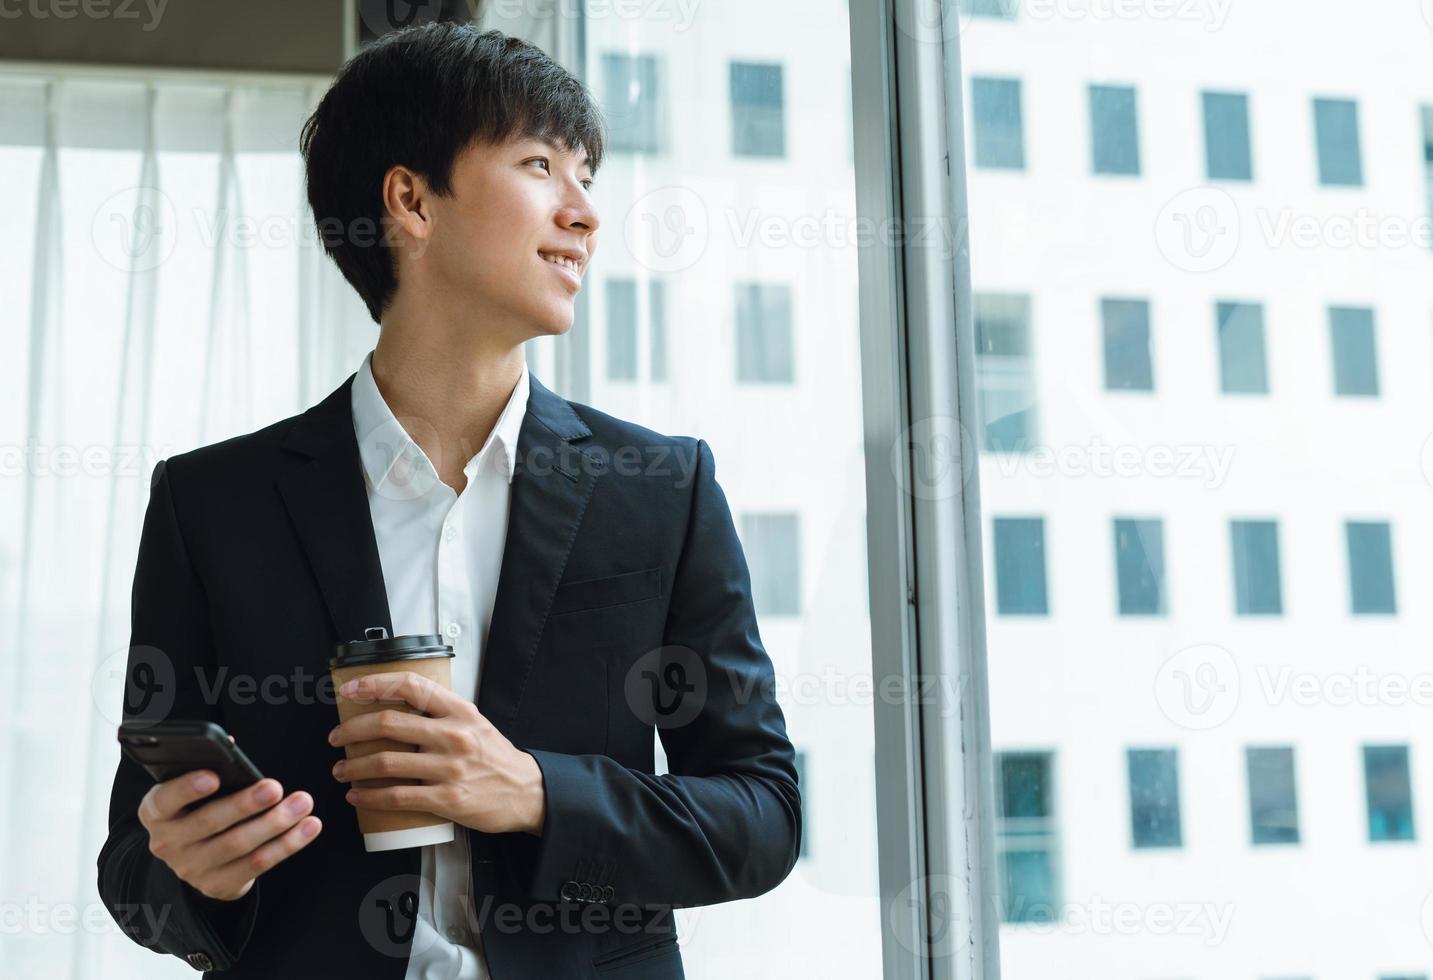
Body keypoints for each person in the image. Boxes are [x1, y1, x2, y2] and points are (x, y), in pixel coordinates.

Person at [96, 23, 801, 979]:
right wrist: (196, 878)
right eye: (541, 165)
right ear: (410, 201)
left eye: (586, 176)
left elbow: (764, 815)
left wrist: (534, 791)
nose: (584, 212)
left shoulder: (661, 489)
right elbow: (133, 870)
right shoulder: (211, 503)